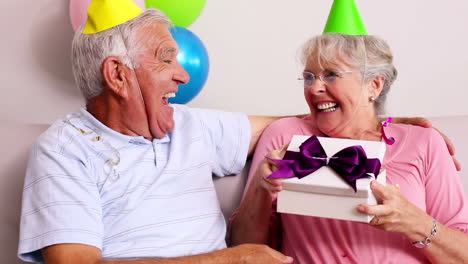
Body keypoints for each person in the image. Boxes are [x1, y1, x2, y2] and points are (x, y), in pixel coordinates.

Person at [17, 0, 457, 263]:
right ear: (117, 75)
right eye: (167, 59)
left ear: (374, 83)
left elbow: (304, 119)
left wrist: (380, 118)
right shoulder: (63, 150)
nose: (183, 77)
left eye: (330, 75)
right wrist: (227, 259)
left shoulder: (193, 126)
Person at [229, 32, 468, 263]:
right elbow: (243, 249)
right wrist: (260, 190)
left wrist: (416, 223)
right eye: (309, 77)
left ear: (374, 85)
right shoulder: (284, 136)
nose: (314, 88)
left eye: (331, 75)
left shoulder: (423, 142)